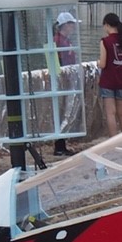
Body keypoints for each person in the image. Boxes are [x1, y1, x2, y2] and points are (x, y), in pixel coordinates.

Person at [97, 12, 122, 136]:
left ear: (107, 25)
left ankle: (114, 141)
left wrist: (97, 62)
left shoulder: (105, 41)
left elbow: (103, 64)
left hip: (108, 82)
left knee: (110, 113)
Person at [52, 11, 80, 156]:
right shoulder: (58, 41)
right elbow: (55, 63)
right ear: (65, 25)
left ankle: (62, 143)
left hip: (67, 80)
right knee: (61, 112)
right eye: (71, 24)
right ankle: (59, 145)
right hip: (62, 81)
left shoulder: (65, 41)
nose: (73, 27)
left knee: (64, 112)